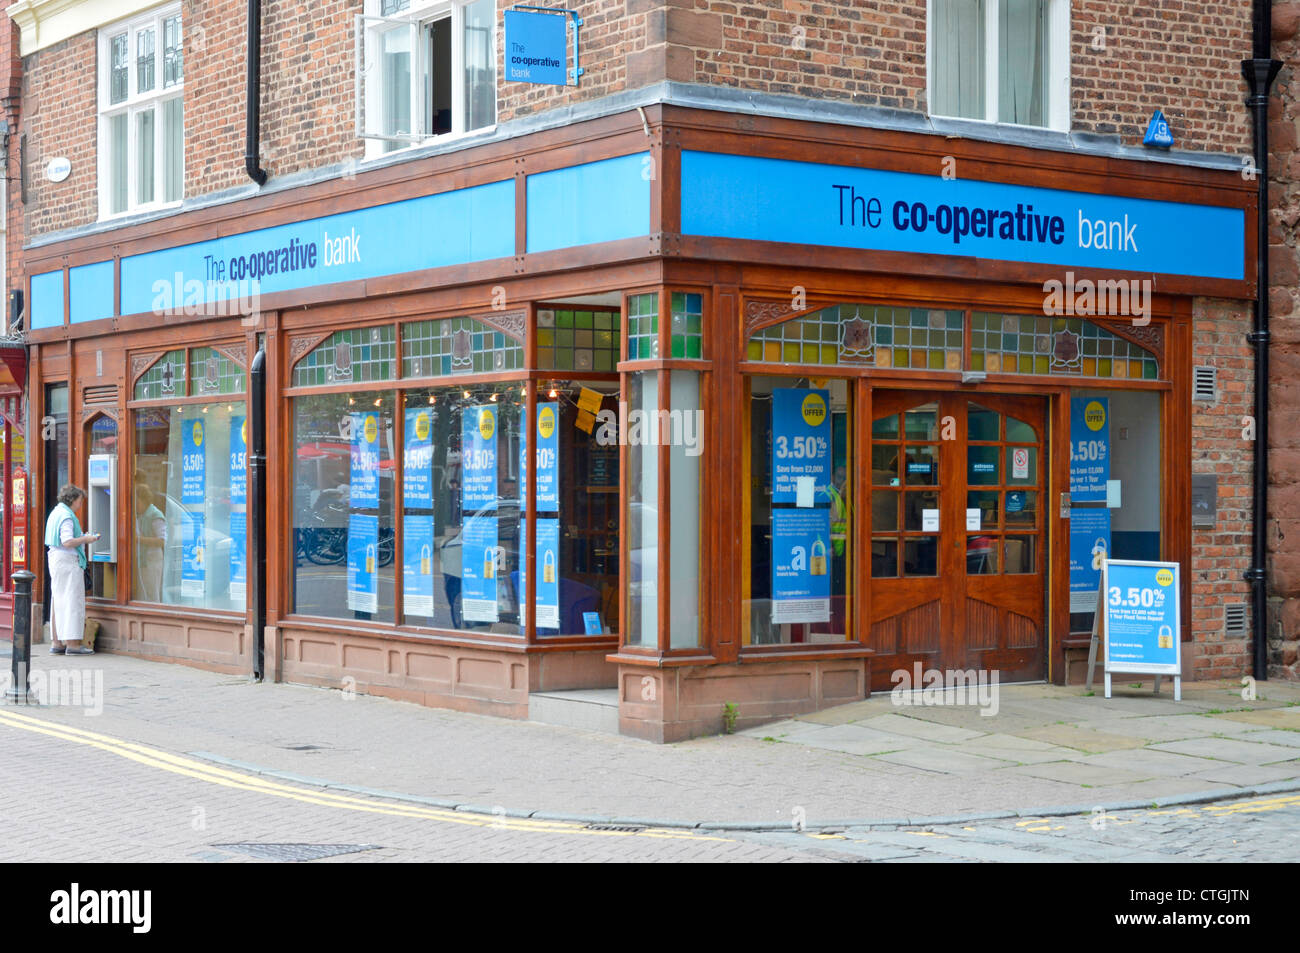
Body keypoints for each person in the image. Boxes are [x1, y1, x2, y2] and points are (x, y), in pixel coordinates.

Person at [44, 484, 100, 655]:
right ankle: (73, 644)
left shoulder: (56, 513)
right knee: (72, 601)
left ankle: (57, 643)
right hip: (68, 562)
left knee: (58, 600)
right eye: (80, 500)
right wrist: (86, 539)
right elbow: (67, 541)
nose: (81, 504)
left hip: (56, 559)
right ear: (73, 499)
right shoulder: (67, 516)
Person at [134, 484, 167, 603]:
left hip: (152, 561)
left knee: (152, 593)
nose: (135, 506)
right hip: (143, 561)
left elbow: (162, 541)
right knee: (143, 594)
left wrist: (139, 539)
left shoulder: (155, 515)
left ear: (144, 500)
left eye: (137, 502)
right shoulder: (141, 515)